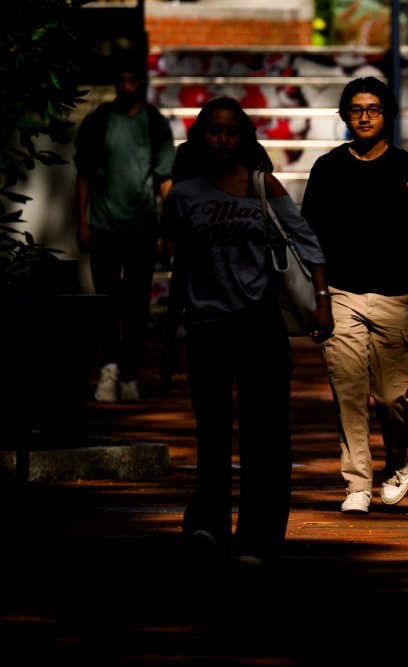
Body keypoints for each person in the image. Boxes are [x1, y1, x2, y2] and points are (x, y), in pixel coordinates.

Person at [159, 97, 331, 568]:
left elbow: (308, 244)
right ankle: (206, 526)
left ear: (244, 138)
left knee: (265, 435)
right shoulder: (183, 195)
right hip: (206, 326)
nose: (221, 138)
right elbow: (179, 266)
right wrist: (170, 334)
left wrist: (322, 302)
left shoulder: (262, 186)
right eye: (213, 130)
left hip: (260, 325)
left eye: (231, 131)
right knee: (211, 433)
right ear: (200, 136)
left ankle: (257, 536)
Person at [300, 76, 408, 515]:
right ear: (345, 115)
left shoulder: (407, 170)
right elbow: (307, 239)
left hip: (395, 297)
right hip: (340, 295)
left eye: (374, 109)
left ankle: (398, 460)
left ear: (387, 115)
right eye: (357, 109)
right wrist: (317, 297)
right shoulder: (327, 169)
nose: (364, 116)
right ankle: (356, 483)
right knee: (348, 391)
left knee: (391, 396)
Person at [74, 50, 176, 403]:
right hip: (104, 227)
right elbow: (84, 175)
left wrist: (168, 230)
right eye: (123, 80)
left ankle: (131, 372)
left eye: (133, 80)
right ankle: (109, 368)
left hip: (143, 229)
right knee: (107, 303)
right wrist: (82, 222)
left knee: (136, 305)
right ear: (116, 83)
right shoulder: (98, 121)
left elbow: (165, 181)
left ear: (141, 83)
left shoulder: (154, 123)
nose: (128, 86)